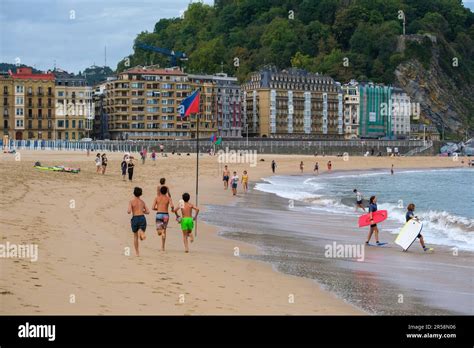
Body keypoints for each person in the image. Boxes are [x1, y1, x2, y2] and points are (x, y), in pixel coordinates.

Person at [127, 187, 150, 256]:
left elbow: (129, 211)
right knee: (141, 230)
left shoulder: (131, 201)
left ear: (134, 193)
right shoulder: (142, 202)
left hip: (135, 218)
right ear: (141, 194)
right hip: (142, 217)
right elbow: (148, 212)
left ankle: (137, 253)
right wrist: (142, 211)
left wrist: (131, 210)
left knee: (135, 236)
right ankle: (142, 233)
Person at [152, 186, 175, 251]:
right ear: (166, 192)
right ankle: (163, 247)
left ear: (160, 191)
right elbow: (172, 206)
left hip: (159, 214)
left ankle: (161, 232)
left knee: (159, 231)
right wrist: (172, 209)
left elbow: (153, 207)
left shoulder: (157, 198)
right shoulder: (168, 198)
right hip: (165, 215)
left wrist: (158, 208)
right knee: (164, 229)